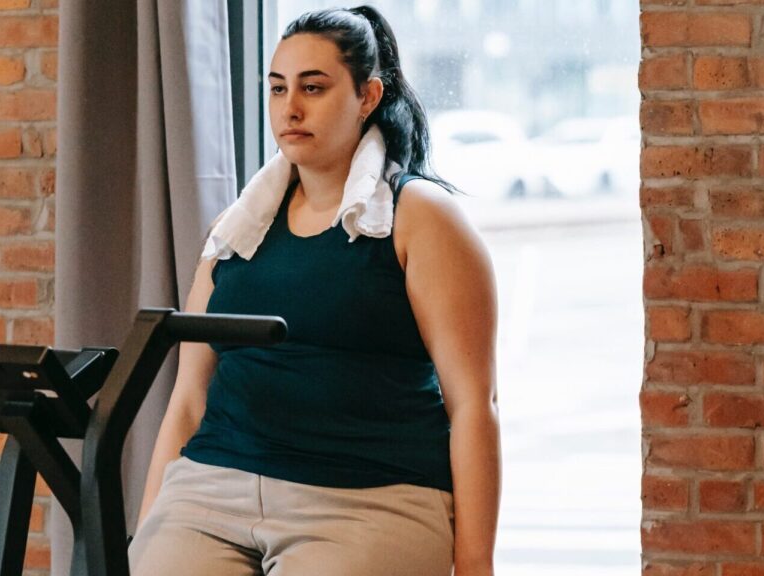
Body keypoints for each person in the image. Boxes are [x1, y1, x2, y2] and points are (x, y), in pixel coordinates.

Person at [129, 6, 500, 575]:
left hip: (368, 497)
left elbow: (474, 404)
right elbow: (188, 399)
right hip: (211, 489)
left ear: (367, 96)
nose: (290, 108)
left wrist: (476, 565)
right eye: (278, 88)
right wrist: (145, 534)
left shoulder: (420, 217)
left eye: (313, 87)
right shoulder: (235, 229)